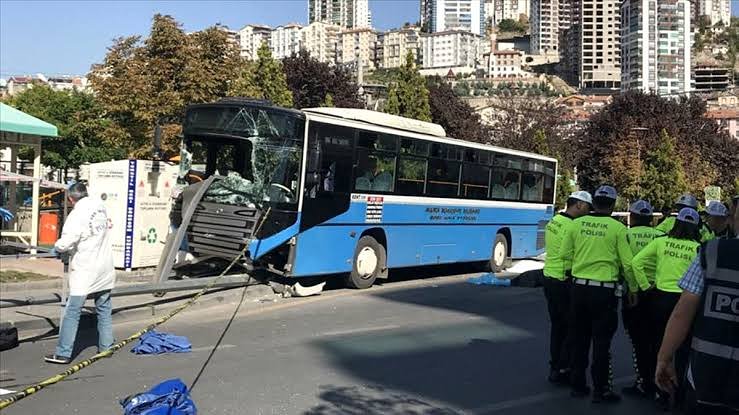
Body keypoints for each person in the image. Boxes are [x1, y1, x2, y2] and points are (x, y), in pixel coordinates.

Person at [560, 185, 650, 403]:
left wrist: (573, 272)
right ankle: (601, 390)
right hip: (604, 291)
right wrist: (633, 289)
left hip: (579, 288)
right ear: (613, 204)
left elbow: (564, 254)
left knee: (579, 339)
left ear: (594, 202)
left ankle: (577, 385)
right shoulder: (617, 229)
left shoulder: (577, 224)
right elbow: (627, 264)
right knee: (601, 342)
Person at [655, 204, 739, 415]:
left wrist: (664, 358)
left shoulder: (711, 251)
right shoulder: (703, 246)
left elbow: (682, 313)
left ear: (733, 219)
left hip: (707, 376)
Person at [633, 207, 702, 409]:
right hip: (685, 300)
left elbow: (636, 262)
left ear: (676, 223)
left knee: (659, 344)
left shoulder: (661, 241)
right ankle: (680, 395)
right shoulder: (698, 248)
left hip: (660, 299)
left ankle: (660, 393)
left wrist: (645, 286)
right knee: (683, 348)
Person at [45, 182, 115, 365]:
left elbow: (67, 241)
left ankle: (63, 353)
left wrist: (57, 248)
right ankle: (106, 347)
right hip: (105, 266)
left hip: (86, 268)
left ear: (70, 199)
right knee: (104, 308)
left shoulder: (76, 215)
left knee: (72, 311)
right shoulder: (99, 206)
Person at [542, 190, 592, 385]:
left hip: (549, 277)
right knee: (572, 328)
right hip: (564, 280)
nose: (588, 211)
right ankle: (564, 368)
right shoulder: (572, 226)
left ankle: (555, 366)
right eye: (588, 207)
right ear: (579, 204)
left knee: (557, 327)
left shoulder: (554, 221)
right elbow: (571, 254)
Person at [621, 199, 663, 398]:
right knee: (656, 338)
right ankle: (658, 380)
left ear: (633, 217)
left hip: (635, 292)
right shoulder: (660, 236)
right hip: (657, 291)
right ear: (651, 219)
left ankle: (643, 381)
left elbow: (626, 265)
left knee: (638, 340)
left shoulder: (626, 235)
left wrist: (633, 288)